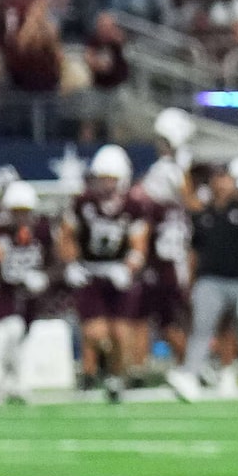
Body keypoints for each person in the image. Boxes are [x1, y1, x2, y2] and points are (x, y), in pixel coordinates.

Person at [168, 159, 238, 400]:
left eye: (226, 178)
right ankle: (190, 375)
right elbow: (195, 251)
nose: (223, 183)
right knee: (202, 328)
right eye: (219, 178)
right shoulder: (203, 214)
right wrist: (190, 280)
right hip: (210, 280)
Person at [0, 178, 70, 400]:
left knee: (21, 335)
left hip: (29, 293)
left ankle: (14, 379)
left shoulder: (42, 232)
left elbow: (57, 263)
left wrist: (43, 276)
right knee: (5, 332)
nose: (21, 217)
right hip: (2, 290)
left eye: (25, 211)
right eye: (16, 212)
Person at [69, 143, 154, 400]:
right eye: (102, 178)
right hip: (92, 270)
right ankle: (96, 369)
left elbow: (140, 243)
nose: (106, 184)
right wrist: (72, 263)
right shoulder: (83, 203)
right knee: (94, 332)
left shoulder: (133, 206)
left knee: (120, 332)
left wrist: (130, 265)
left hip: (118, 272)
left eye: (111, 178)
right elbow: (68, 237)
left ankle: (116, 377)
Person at [136, 109, 195, 370]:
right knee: (159, 319)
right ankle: (187, 366)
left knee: (169, 321)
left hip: (168, 261)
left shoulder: (169, 172)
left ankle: (190, 367)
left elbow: (143, 199)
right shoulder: (174, 170)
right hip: (167, 259)